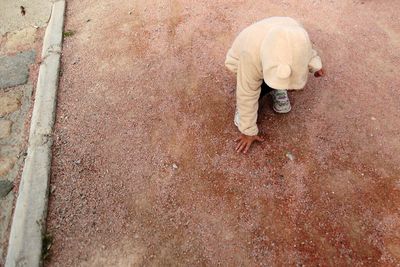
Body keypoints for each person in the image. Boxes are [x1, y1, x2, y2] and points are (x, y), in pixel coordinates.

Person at [225, 17, 325, 154]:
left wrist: (315, 65)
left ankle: (277, 85)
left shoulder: (297, 32)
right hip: (240, 62)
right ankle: (247, 109)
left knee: (279, 78)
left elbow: (306, 51)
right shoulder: (250, 55)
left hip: (265, 57)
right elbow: (246, 93)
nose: (292, 90)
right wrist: (247, 130)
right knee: (254, 87)